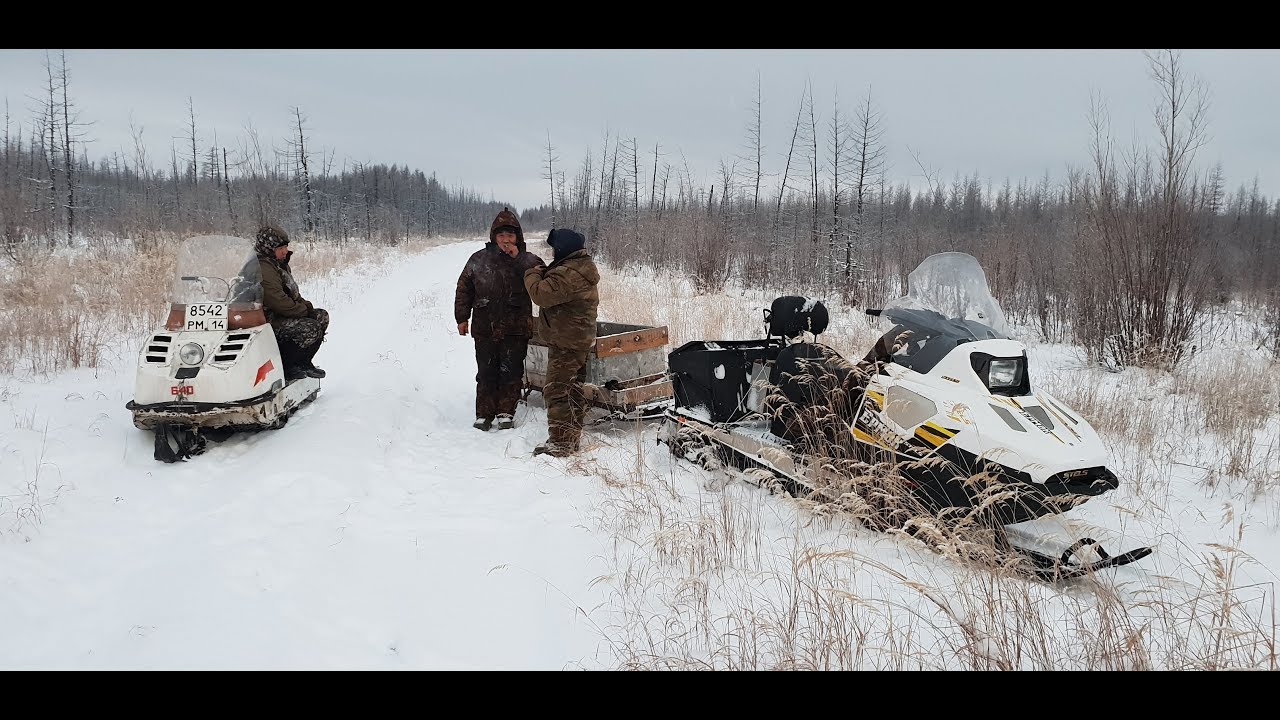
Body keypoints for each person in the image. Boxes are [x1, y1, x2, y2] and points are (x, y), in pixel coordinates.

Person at [455, 207, 537, 431]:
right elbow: (464, 289)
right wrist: (462, 317)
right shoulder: (478, 259)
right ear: (494, 237)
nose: (506, 240)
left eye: (510, 236)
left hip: (516, 327)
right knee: (486, 371)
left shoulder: (528, 259)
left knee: (511, 371)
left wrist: (517, 258)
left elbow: (542, 278)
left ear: (517, 237)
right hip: (485, 326)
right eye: (501, 236)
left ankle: (505, 412)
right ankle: (484, 414)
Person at [522, 227, 599, 457]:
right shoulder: (578, 268)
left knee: (557, 392)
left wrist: (531, 274)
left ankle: (561, 445)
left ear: (563, 249)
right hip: (576, 340)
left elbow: (540, 294)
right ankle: (569, 438)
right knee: (572, 391)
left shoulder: (569, 273)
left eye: (555, 249)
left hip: (567, 342)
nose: (553, 252)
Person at [255, 223, 329, 381]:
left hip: (280, 315)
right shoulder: (263, 268)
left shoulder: (277, 264)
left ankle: (302, 362)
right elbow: (278, 301)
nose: (285, 251)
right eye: (280, 248)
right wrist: (303, 311)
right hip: (267, 320)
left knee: (321, 316)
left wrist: (306, 307)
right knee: (310, 327)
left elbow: (291, 294)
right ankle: (286, 366)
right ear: (269, 249)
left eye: (285, 246)